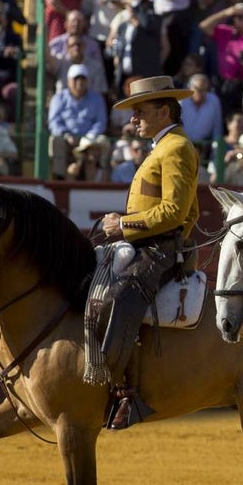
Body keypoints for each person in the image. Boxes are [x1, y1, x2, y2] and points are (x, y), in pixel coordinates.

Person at [99, 76, 199, 430]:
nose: (134, 119)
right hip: (149, 244)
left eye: (140, 111)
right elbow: (191, 211)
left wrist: (124, 225)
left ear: (163, 111)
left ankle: (127, 393)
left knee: (121, 295)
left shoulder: (175, 148)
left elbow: (174, 211)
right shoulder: (165, 147)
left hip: (158, 249)